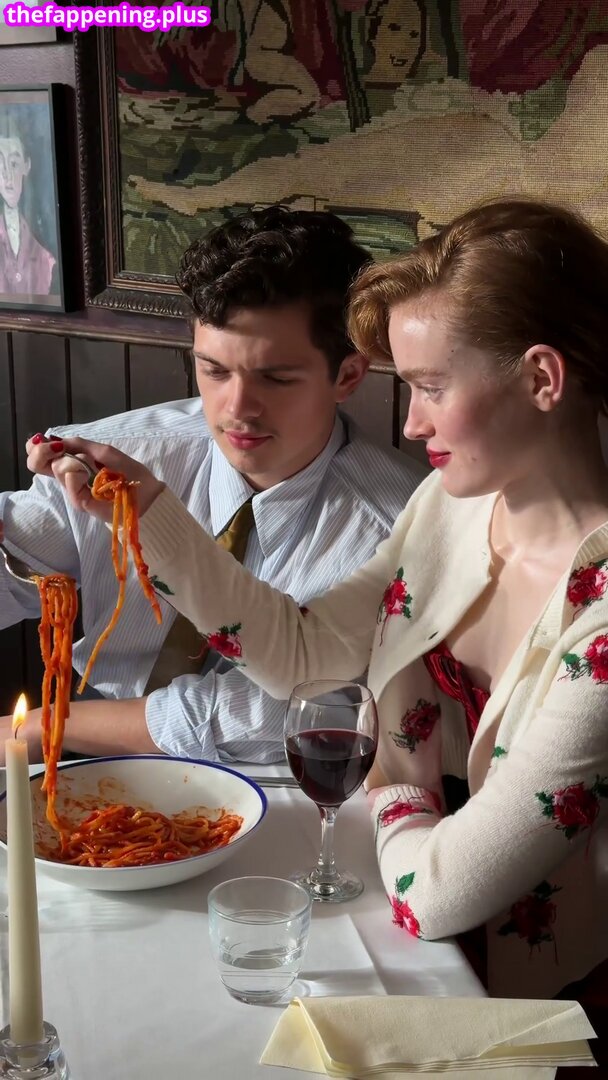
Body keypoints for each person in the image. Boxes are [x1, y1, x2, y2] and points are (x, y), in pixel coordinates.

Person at [36, 198, 608, 1043]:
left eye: (432, 387)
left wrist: (390, 786)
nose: (409, 423)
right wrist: (147, 509)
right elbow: (304, 654)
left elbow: (439, 893)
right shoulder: (452, 507)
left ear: (542, 379)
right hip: (394, 921)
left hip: (540, 1005)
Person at [0, 205, 427, 764]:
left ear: (347, 374)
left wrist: (41, 727)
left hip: (286, 787)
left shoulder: (401, 523)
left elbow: (282, 713)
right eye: (214, 370)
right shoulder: (118, 458)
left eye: (275, 377)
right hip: (87, 768)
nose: (237, 409)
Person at [0, 127, 56, 296]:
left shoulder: (43, 251)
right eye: (0, 163)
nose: (7, 175)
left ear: (27, 165)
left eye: (14, 164)